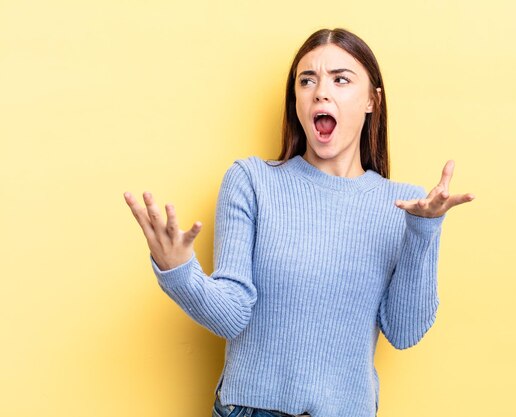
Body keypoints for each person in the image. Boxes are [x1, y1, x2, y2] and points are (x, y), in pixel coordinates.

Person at [124, 28, 474, 417]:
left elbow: (405, 331)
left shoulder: (404, 205)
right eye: (307, 80)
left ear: (372, 100)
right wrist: (179, 271)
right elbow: (233, 314)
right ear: (297, 100)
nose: (321, 92)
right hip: (251, 410)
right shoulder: (252, 180)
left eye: (340, 79)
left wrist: (424, 231)